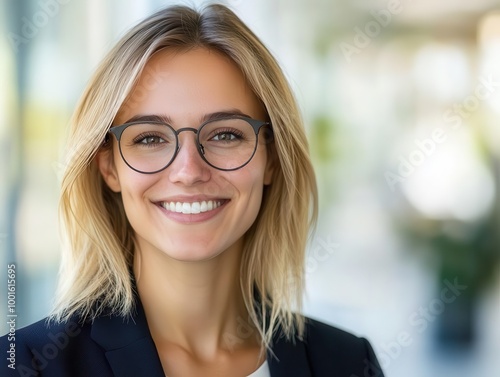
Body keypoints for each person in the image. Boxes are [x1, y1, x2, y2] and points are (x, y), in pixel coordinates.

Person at [1, 4, 384, 377]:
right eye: (150, 138)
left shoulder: (348, 363)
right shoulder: (26, 365)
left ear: (271, 158)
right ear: (109, 168)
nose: (189, 171)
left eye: (225, 134)